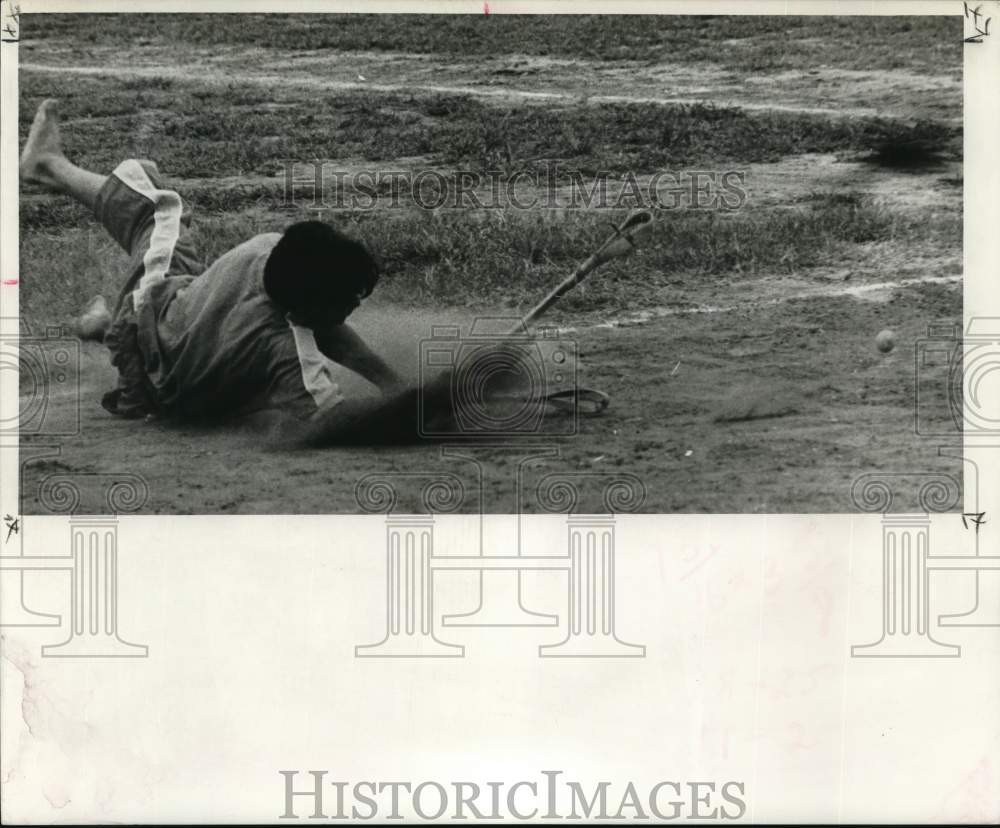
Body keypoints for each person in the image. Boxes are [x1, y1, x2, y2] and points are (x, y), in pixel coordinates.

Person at [19, 98, 406, 425]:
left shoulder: (267, 249)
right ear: (310, 306)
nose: (354, 305)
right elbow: (332, 417)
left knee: (161, 209)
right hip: (170, 395)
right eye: (347, 299)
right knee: (164, 223)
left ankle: (50, 167)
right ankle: (45, 169)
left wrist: (402, 394)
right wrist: (409, 403)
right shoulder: (290, 355)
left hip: (155, 337)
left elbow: (321, 324)